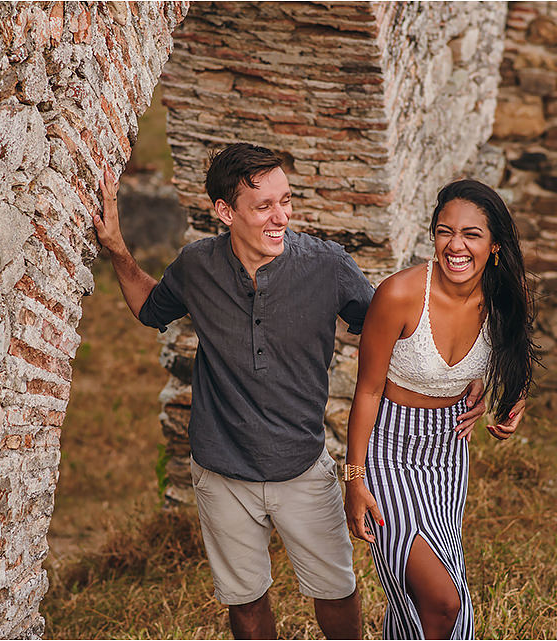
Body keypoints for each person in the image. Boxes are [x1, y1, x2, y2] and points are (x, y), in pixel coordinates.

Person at [92, 143, 486, 639]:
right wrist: (117, 248)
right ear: (226, 212)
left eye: (286, 201)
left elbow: (397, 333)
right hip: (220, 470)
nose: (281, 216)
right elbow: (152, 308)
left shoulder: (327, 265)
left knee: (337, 591)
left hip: (304, 465)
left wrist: (467, 373)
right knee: (245, 600)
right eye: (264, 206)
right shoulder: (197, 266)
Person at [343, 179, 539, 640]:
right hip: (388, 450)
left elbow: (514, 357)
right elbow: (367, 392)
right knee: (444, 600)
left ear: (494, 245)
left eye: (471, 234)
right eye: (445, 231)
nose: (456, 245)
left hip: (448, 453)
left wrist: (508, 402)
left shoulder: (505, 297)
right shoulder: (399, 295)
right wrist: (353, 479)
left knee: (423, 602)